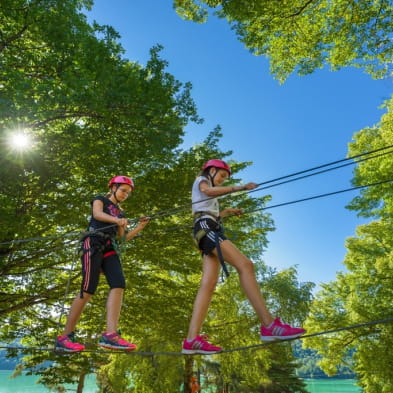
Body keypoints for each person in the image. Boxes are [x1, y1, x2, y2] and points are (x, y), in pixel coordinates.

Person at [182, 159, 306, 354]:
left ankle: (191, 339)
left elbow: (206, 210)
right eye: (221, 176)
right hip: (206, 229)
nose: (222, 180)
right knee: (246, 266)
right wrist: (239, 187)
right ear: (211, 170)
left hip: (205, 229)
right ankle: (269, 325)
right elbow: (208, 191)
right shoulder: (201, 180)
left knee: (209, 283)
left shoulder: (208, 197)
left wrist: (226, 212)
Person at [56, 175, 149, 353]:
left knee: (119, 283)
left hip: (109, 247)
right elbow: (97, 214)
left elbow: (122, 238)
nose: (125, 194)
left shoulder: (121, 213)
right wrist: (116, 220)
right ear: (113, 188)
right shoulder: (100, 200)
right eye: (123, 190)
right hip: (93, 242)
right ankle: (65, 336)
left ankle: (110, 335)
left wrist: (140, 227)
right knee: (88, 288)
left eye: (128, 193)